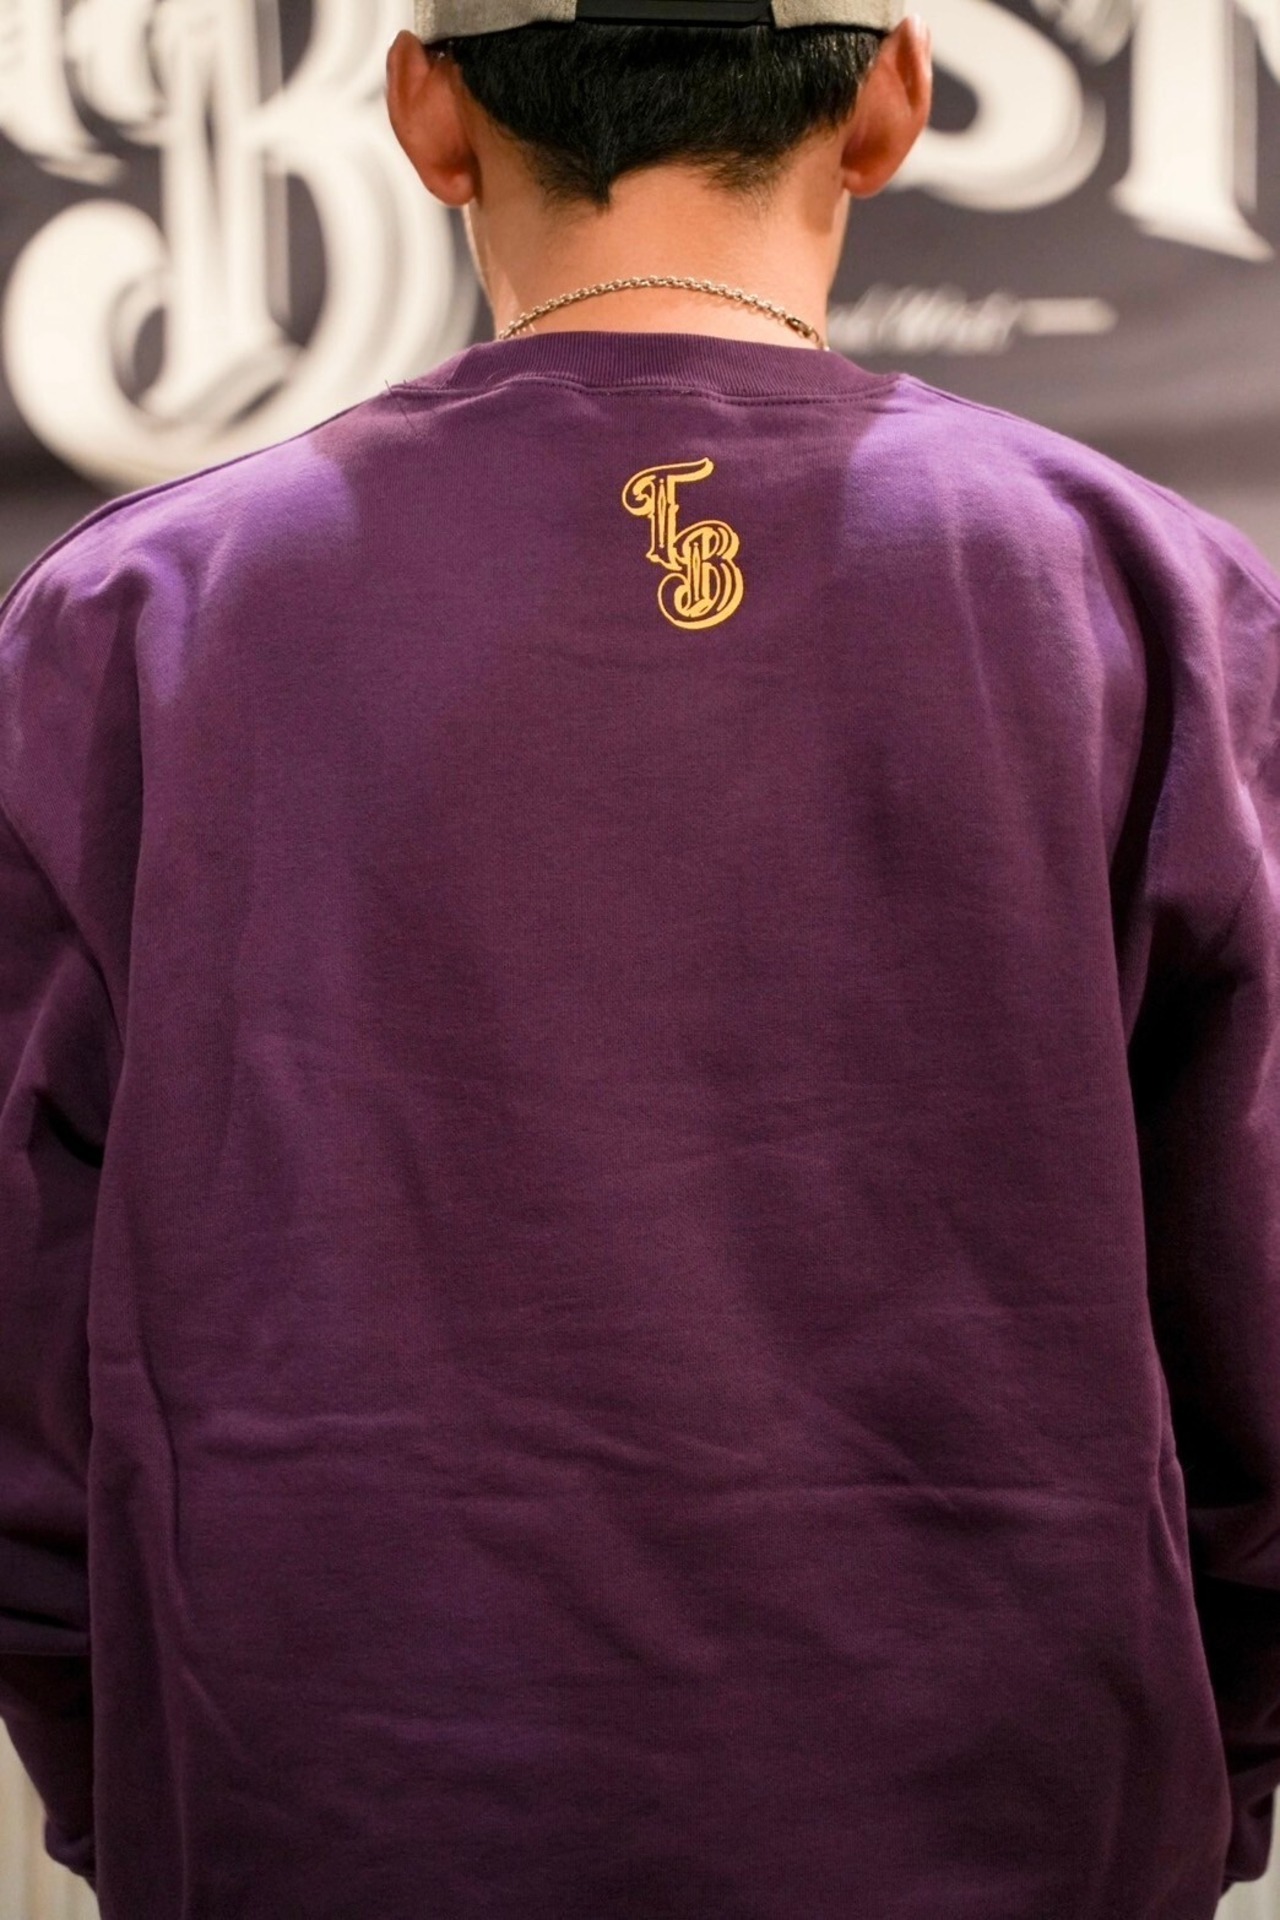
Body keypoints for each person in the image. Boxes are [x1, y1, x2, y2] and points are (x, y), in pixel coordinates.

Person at [1, 1, 1278, 1913]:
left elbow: (22, 1348)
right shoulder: (1153, 600)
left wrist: (144, 1796)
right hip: (1011, 1819)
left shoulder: (131, 623)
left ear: (427, 111)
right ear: (893, 99)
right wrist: (1199, 1785)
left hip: (329, 1814)